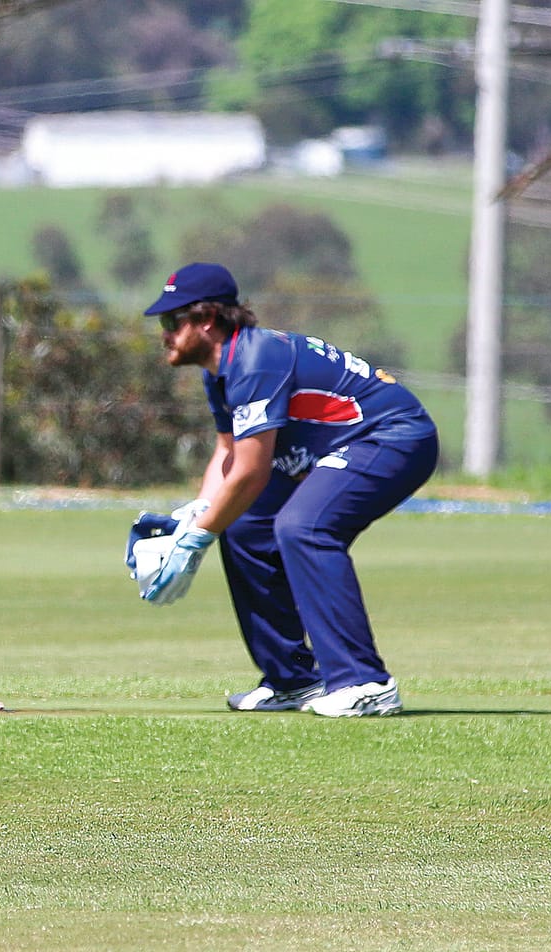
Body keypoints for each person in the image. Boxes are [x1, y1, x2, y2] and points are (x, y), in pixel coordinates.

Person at [137, 263, 439, 717]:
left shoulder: (255, 359)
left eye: (171, 321)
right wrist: (200, 513)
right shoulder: (220, 370)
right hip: (345, 446)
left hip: (394, 437)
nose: (164, 334)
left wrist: (196, 539)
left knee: (304, 527)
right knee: (243, 524)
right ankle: (294, 679)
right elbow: (228, 454)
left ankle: (366, 682)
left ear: (207, 319)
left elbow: (252, 472)